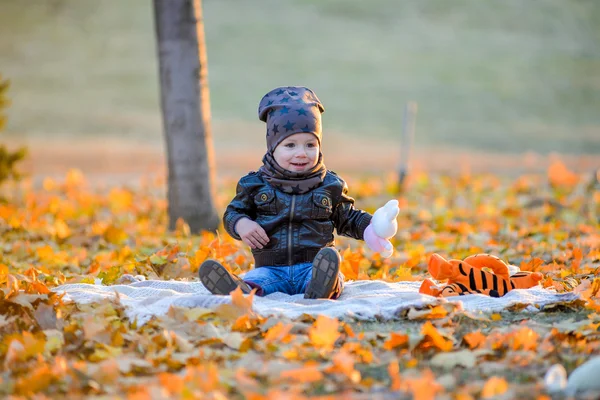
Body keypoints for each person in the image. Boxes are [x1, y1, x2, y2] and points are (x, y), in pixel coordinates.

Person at [199, 86, 397, 299]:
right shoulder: (255, 184)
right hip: (271, 268)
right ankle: (240, 290)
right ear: (273, 148)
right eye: (290, 145)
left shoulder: (329, 185)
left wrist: (373, 226)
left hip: (312, 266)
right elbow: (232, 213)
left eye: (310, 145)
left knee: (328, 274)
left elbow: (348, 218)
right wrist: (241, 223)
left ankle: (321, 287)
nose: (301, 153)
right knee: (258, 280)